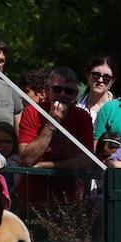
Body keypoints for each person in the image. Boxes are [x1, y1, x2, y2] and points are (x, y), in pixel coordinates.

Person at [17, 67, 94, 210]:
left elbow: (86, 160)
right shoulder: (32, 112)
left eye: (69, 91)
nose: (63, 95)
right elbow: (27, 159)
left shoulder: (82, 117)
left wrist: (46, 166)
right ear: (47, 90)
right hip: (32, 200)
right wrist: (52, 123)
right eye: (57, 89)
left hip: (68, 201)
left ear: (76, 94)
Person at [75, 55, 116, 125]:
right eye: (96, 75)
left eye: (106, 77)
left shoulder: (118, 110)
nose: (100, 80)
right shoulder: (74, 109)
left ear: (112, 81)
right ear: (88, 75)